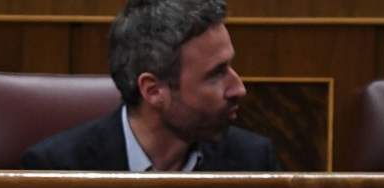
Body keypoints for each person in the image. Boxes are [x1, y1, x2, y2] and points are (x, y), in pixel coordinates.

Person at [21, 0, 280, 172]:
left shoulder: (254, 161)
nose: (239, 89)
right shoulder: (58, 168)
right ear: (153, 90)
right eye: (216, 74)